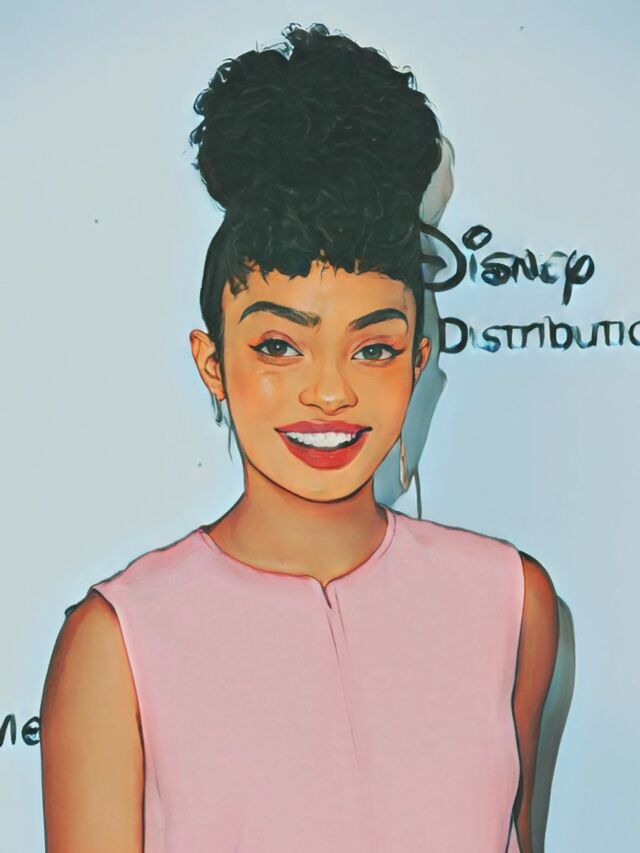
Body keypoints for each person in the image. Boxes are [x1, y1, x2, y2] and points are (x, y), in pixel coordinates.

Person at [39, 22, 559, 853]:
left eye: (374, 347)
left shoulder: (510, 601)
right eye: (279, 345)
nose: (330, 390)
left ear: (418, 359)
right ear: (213, 362)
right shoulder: (120, 640)